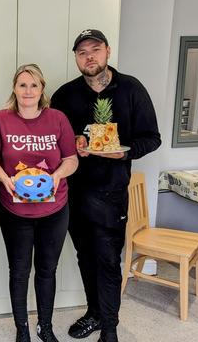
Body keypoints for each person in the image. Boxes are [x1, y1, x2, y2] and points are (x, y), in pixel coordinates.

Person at [51, 29, 161, 342]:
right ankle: (95, 313)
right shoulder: (64, 95)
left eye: (95, 49)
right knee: (85, 256)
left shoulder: (130, 89)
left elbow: (152, 138)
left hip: (111, 194)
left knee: (109, 259)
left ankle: (110, 329)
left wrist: (122, 150)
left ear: (107, 52)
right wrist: (73, 143)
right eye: (82, 51)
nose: (89, 56)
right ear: (76, 58)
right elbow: (54, 140)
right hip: (73, 194)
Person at [0, 64, 78, 342]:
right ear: (14, 88)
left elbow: (71, 159)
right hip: (14, 210)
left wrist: (55, 177)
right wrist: (5, 179)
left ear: (42, 90)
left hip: (54, 208)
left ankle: (45, 326)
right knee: (19, 270)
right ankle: (22, 329)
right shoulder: (1, 119)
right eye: (22, 85)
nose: (28, 91)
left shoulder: (58, 119)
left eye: (34, 85)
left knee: (47, 269)